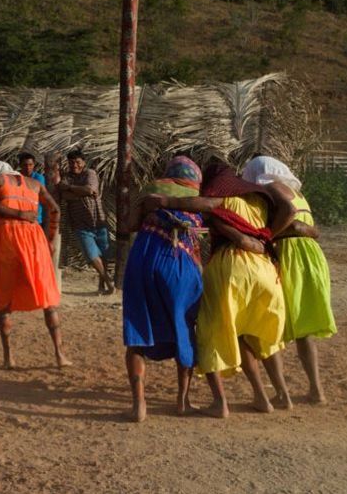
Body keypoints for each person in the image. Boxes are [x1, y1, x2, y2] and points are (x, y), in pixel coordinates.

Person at [153, 161, 289, 418]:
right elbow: (290, 209)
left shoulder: (221, 197)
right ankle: (275, 395)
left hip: (231, 266)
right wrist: (267, 235)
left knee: (210, 332)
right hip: (265, 270)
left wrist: (163, 201)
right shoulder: (258, 200)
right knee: (249, 336)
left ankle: (220, 403)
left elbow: (204, 205)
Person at [121, 156, 214, 422]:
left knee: (137, 331)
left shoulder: (151, 189)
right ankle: (182, 401)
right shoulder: (197, 195)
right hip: (178, 262)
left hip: (142, 259)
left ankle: (139, 405)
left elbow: (128, 226)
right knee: (183, 329)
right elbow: (211, 211)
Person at [242, 156, 335, 404]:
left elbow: (291, 218)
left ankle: (282, 393)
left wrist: (266, 236)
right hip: (311, 256)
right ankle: (316, 390)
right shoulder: (297, 192)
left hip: (289, 254)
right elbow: (310, 228)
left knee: (272, 324)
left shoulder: (271, 189)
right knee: (303, 329)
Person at [0, 160, 69, 369]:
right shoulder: (34, 184)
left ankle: (8, 357)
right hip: (35, 238)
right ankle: (59, 354)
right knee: (47, 296)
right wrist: (50, 239)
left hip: (7, 238)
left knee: (4, 297)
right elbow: (55, 209)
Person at [59, 150, 115, 294]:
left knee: (104, 253)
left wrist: (72, 189)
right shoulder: (66, 177)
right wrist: (83, 192)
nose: (75, 165)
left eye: (77, 162)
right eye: (71, 162)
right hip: (79, 223)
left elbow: (90, 189)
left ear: (83, 162)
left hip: (98, 219)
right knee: (91, 254)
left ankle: (102, 286)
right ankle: (108, 281)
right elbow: (63, 194)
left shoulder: (90, 173)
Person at [43, 153, 64, 292]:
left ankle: (54, 286)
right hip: (45, 219)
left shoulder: (61, 181)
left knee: (54, 252)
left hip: (56, 221)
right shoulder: (44, 179)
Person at [18, 152, 47, 225]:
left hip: (35, 217)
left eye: (30, 165)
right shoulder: (16, 176)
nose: (28, 167)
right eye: (25, 165)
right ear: (20, 165)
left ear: (34, 165)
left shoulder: (39, 178)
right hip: (20, 215)